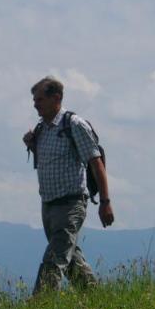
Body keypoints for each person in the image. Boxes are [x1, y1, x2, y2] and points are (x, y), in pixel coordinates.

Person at [23, 76, 114, 294]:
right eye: (34, 100)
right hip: (49, 204)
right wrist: (32, 146)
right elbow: (50, 161)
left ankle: (40, 305)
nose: (35, 104)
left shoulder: (74, 125)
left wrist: (105, 202)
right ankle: (95, 298)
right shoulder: (42, 129)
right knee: (70, 258)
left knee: (55, 258)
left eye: (39, 99)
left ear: (57, 98)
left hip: (71, 202)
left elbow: (96, 163)